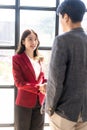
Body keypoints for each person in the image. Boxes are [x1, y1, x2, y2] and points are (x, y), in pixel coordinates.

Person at [45, 0, 87, 130]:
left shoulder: (61, 40)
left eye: (60, 18)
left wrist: (49, 108)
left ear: (66, 17)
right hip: (85, 112)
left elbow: (55, 81)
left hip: (64, 112)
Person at [12, 29, 47, 130]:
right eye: (30, 39)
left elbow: (42, 78)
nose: (33, 42)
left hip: (40, 102)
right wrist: (38, 88)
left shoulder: (40, 59)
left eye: (35, 39)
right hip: (24, 103)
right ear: (23, 41)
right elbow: (19, 83)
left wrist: (46, 85)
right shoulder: (17, 58)